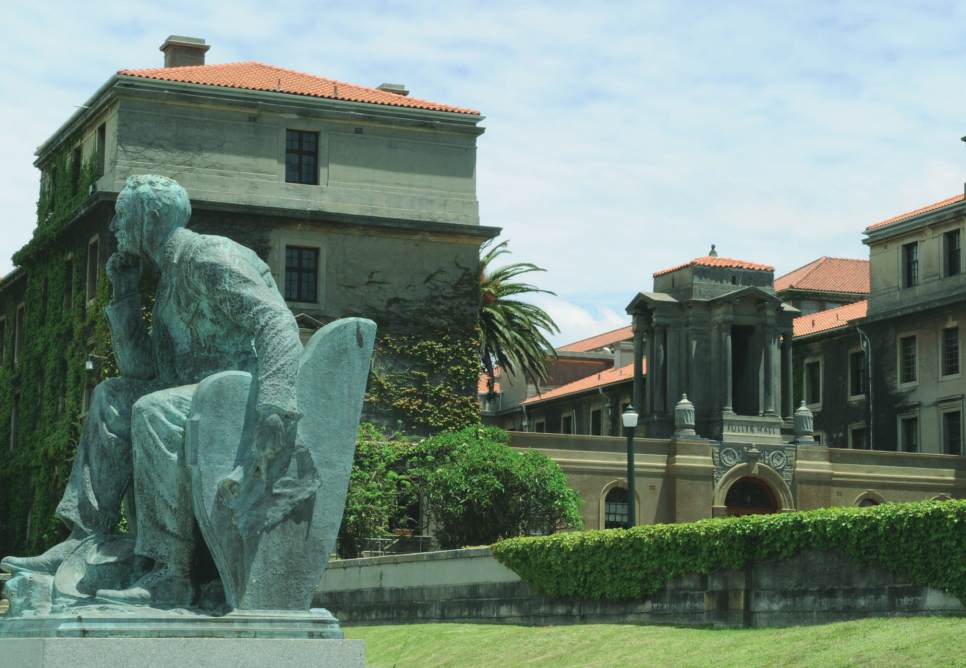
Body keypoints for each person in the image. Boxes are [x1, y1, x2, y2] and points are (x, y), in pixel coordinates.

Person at [0, 175, 303, 606]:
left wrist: (276, 404)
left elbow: (276, 321)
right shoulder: (168, 275)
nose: (114, 227)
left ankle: (171, 572)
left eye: (122, 216)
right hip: (194, 393)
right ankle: (86, 535)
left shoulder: (207, 254)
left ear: (152, 217)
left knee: (152, 408)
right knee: (111, 396)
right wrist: (124, 296)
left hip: (238, 396)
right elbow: (141, 370)